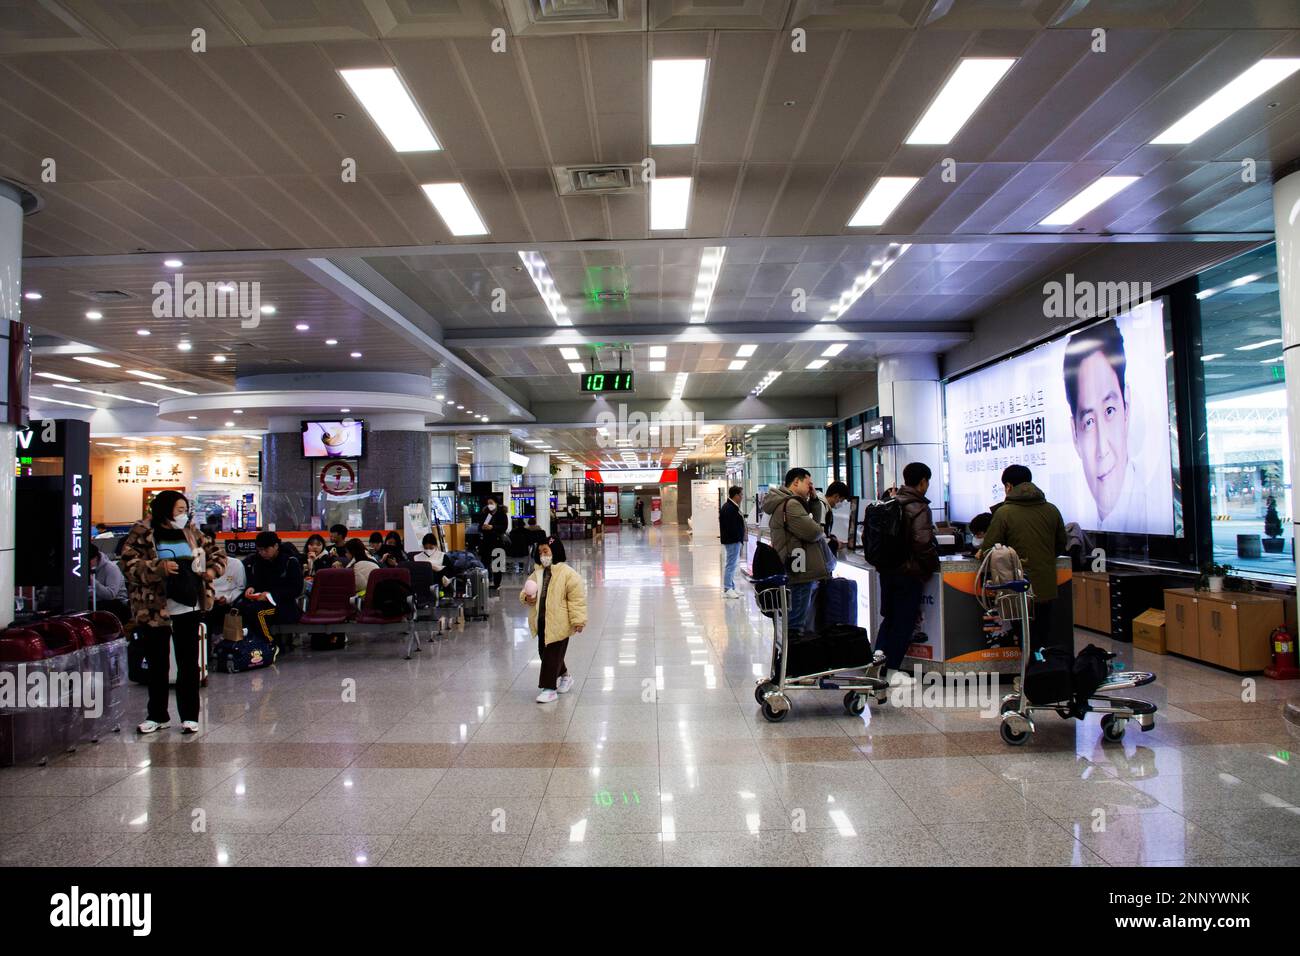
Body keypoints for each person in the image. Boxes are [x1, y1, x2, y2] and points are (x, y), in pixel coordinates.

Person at [120, 490, 226, 735]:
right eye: (178, 509)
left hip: (188, 605)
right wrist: (159, 567)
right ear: (165, 509)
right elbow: (127, 564)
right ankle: (157, 715)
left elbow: (217, 555)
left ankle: (190, 716)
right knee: (157, 663)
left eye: (185, 509)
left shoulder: (192, 532)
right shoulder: (143, 533)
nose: (183, 514)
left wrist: (210, 572)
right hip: (154, 607)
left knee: (188, 663)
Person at [1063, 318, 1151, 533]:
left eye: (1109, 411)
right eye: (1089, 422)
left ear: (1126, 408)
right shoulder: (1080, 518)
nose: (1102, 448)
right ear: (1075, 433)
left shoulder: (1149, 509)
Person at [980, 464, 1069, 651]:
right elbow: (1061, 544)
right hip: (1045, 584)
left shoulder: (1004, 513)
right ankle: (1042, 672)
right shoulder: (1052, 509)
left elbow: (989, 549)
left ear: (1008, 486)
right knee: (1043, 633)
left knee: (1025, 636)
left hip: (1017, 586)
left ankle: (1029, 676)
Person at [876, 463, 940, 680]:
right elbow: (922, 542)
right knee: (904, 621)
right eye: (927, 482)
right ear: (923, 482)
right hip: (909, 573)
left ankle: (877, 664)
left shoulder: (889, 502)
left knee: (890, 618)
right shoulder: (919, 507)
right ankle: (893, 671)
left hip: (887, 571)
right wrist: (930, 566)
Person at [761, 468, 833, 637]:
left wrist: (814, 501)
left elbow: (811, 525)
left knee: (792, 620)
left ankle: (787, 658)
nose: (811, 488)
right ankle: (792, 660)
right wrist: (820, 529)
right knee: (795, 625)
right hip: (799, 573)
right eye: (809, 484)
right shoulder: (792, 504)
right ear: (796, 482)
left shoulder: (784, 502)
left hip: (793, 567)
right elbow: (814, 531)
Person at [520, 542, 586, 703]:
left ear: (555, 552)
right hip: (542, 621)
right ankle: (565, 676)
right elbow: (525, 592)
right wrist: (527, 598)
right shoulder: (537, 573)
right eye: (541, 552)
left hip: (560, 623)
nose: (543, 556)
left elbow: (577, 599)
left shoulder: (568, 574)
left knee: (551, 655)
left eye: (546, 551)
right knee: (544, 653)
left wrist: (578, 620)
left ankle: (549, 689)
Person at [240, 531, 304, 652]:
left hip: (284, 606)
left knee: (259, 613)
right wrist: (252, 587)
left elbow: (295, 589)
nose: (262, 553)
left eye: (266, 549)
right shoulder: (258, 562)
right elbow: (256, 582)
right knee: (242, 608)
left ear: (275, 546)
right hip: (262, 601)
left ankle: (269, 645)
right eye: (260, 550)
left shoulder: (290, 562)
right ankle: (250, 644)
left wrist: (271, 595)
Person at [207, 545, 247, 638]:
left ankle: (231, 643)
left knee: (235, 610)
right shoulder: (204, 564)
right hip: (209, 600)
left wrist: (227, 598)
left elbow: (240, 588)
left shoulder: (236, 564)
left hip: (229, 601)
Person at [719, 485, 746, 599]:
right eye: (741, 495)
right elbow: (731, 527)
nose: (742, 497)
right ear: (735, 495)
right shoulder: (729, 508)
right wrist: (738, 538)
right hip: (732, 540)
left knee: (733, 564)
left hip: (734, 540)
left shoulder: (732, 506)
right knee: (731, 564)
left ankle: (732, 586)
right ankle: (727, 588)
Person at [89, 548, 129, 623]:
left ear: (96, 558)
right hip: (96, 601)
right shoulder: (88, 569)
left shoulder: (111, 568)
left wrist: (92, 581)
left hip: (115, 602)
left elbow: (111, 594)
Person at [477, 496, 506, 591]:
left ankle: (497, 584)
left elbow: (503, 528)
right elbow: (480, 526)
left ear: (496, 503)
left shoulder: (502, 514)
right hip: (486, 542)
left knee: (497, 564)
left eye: (491, 503)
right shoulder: (486, 514)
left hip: (497, 542)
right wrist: (483, 527)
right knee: (485, 563)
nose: (489, 505)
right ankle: (486, 581)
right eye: (488, 503)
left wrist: (492, 527)